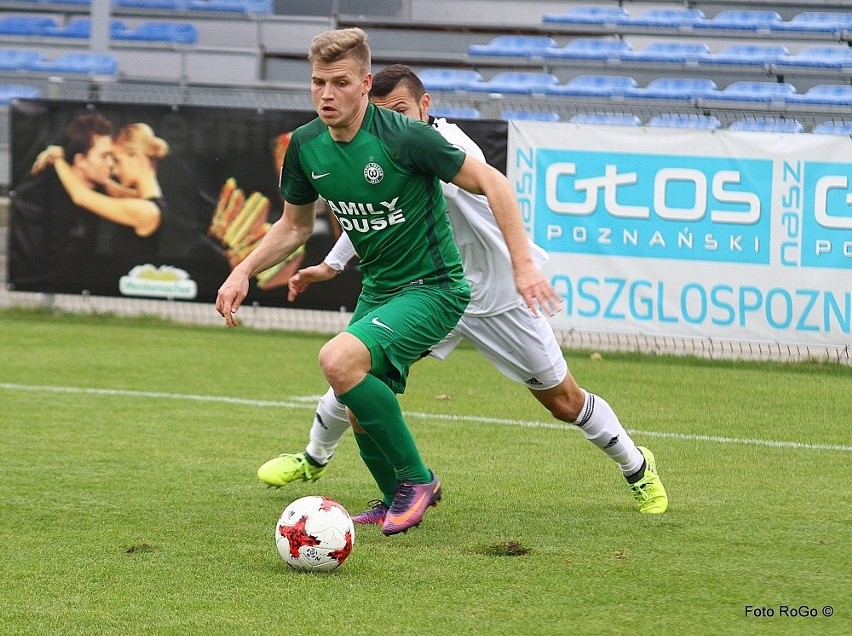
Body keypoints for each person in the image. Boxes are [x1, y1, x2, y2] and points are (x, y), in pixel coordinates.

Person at [256, 64, 669, 517]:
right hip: (424, 292)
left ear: (424, 105)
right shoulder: (380, 143)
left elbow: (497, 188)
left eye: (401, 110)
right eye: (382, 113)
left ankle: (636, 466)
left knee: (564, 402)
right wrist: (331, 265)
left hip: (496, 301)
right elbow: (372, 206)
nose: (392, 121)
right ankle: (314, 459)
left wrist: (524, 266)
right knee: (353, 372)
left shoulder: (445, 146)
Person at [216, 29, 560, 536]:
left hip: (436, 287)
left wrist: (523, 264)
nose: (327, 94)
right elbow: (293, 225)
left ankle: (418, 481)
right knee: (357, 400)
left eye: (340, 82)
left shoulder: (405, 136)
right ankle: (387, 498)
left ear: (365, 84)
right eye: (318, 83)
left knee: (337, 359)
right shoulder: (307, 145)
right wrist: (244, 269)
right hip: (379, 289)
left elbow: (494, 183)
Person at [31, 122, 170, 271]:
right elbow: (111, 188)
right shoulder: (145, 200)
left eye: (117, 161)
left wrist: (57, 158)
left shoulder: (146, 211)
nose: (114, 170)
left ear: (135, 158)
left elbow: (81, 197)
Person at [8, 113, 114, 293]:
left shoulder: (105, 190)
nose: (111, 163)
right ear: (80, 161)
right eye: (104, 156)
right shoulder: (41, 198)